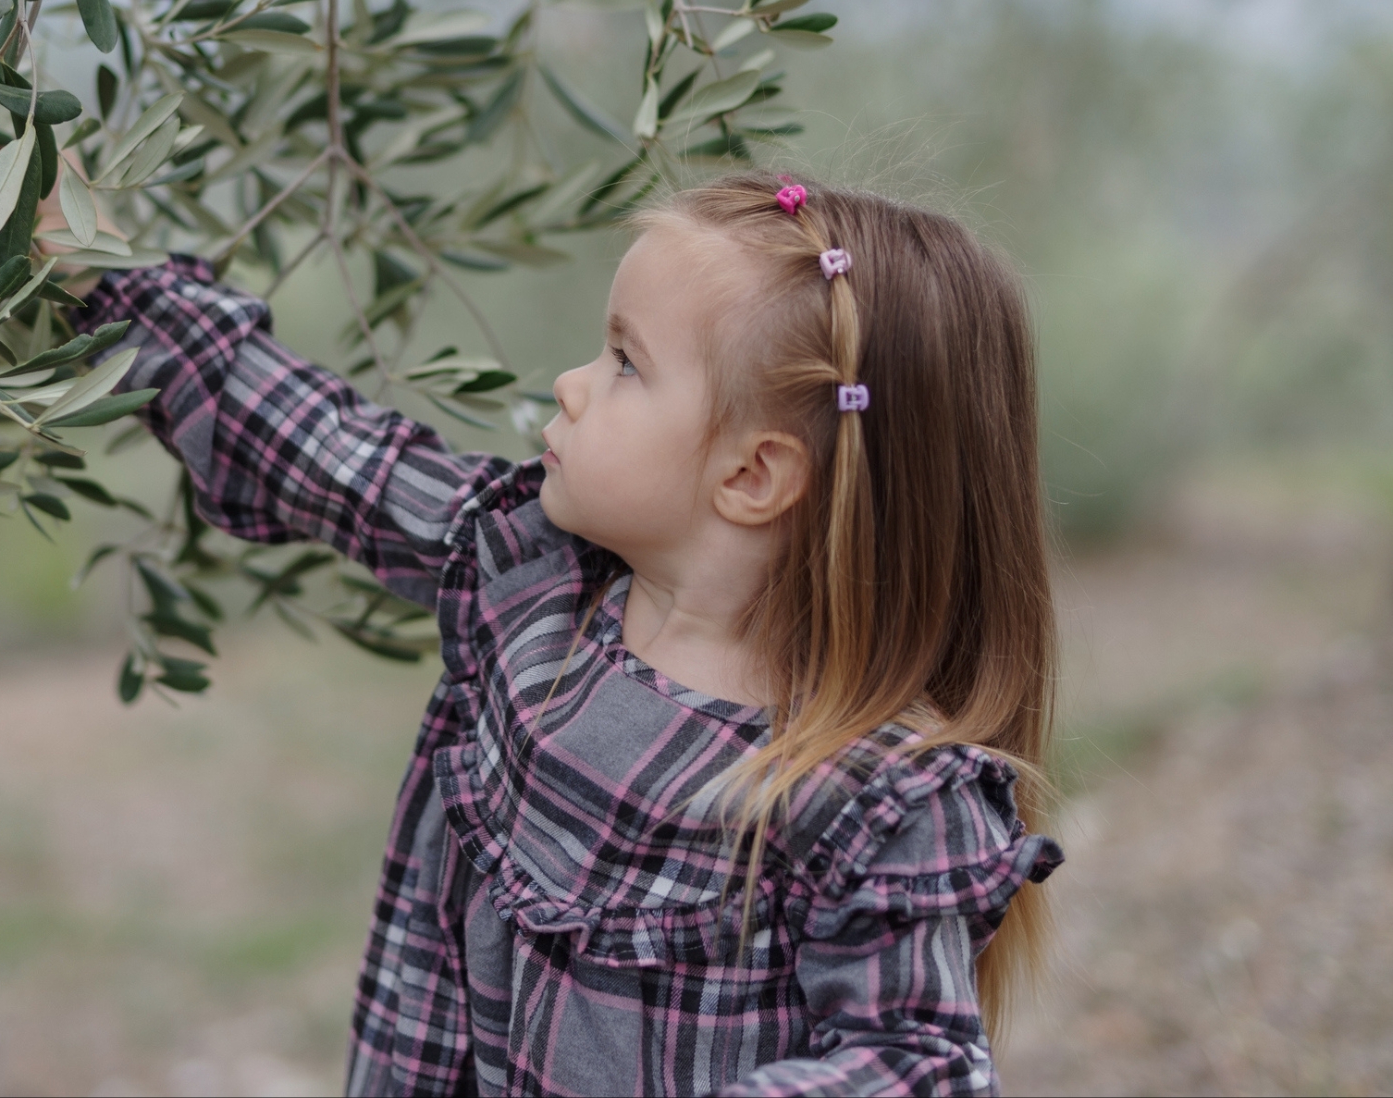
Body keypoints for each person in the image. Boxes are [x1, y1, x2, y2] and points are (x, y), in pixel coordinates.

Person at [72, 172, 1064, 1097]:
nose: (570, 384)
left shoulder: (872, 798)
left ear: (751, 476)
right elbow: (331, 456)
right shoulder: (528, 582)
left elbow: (911, 1061)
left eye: (625, 362)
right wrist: (103, 276)